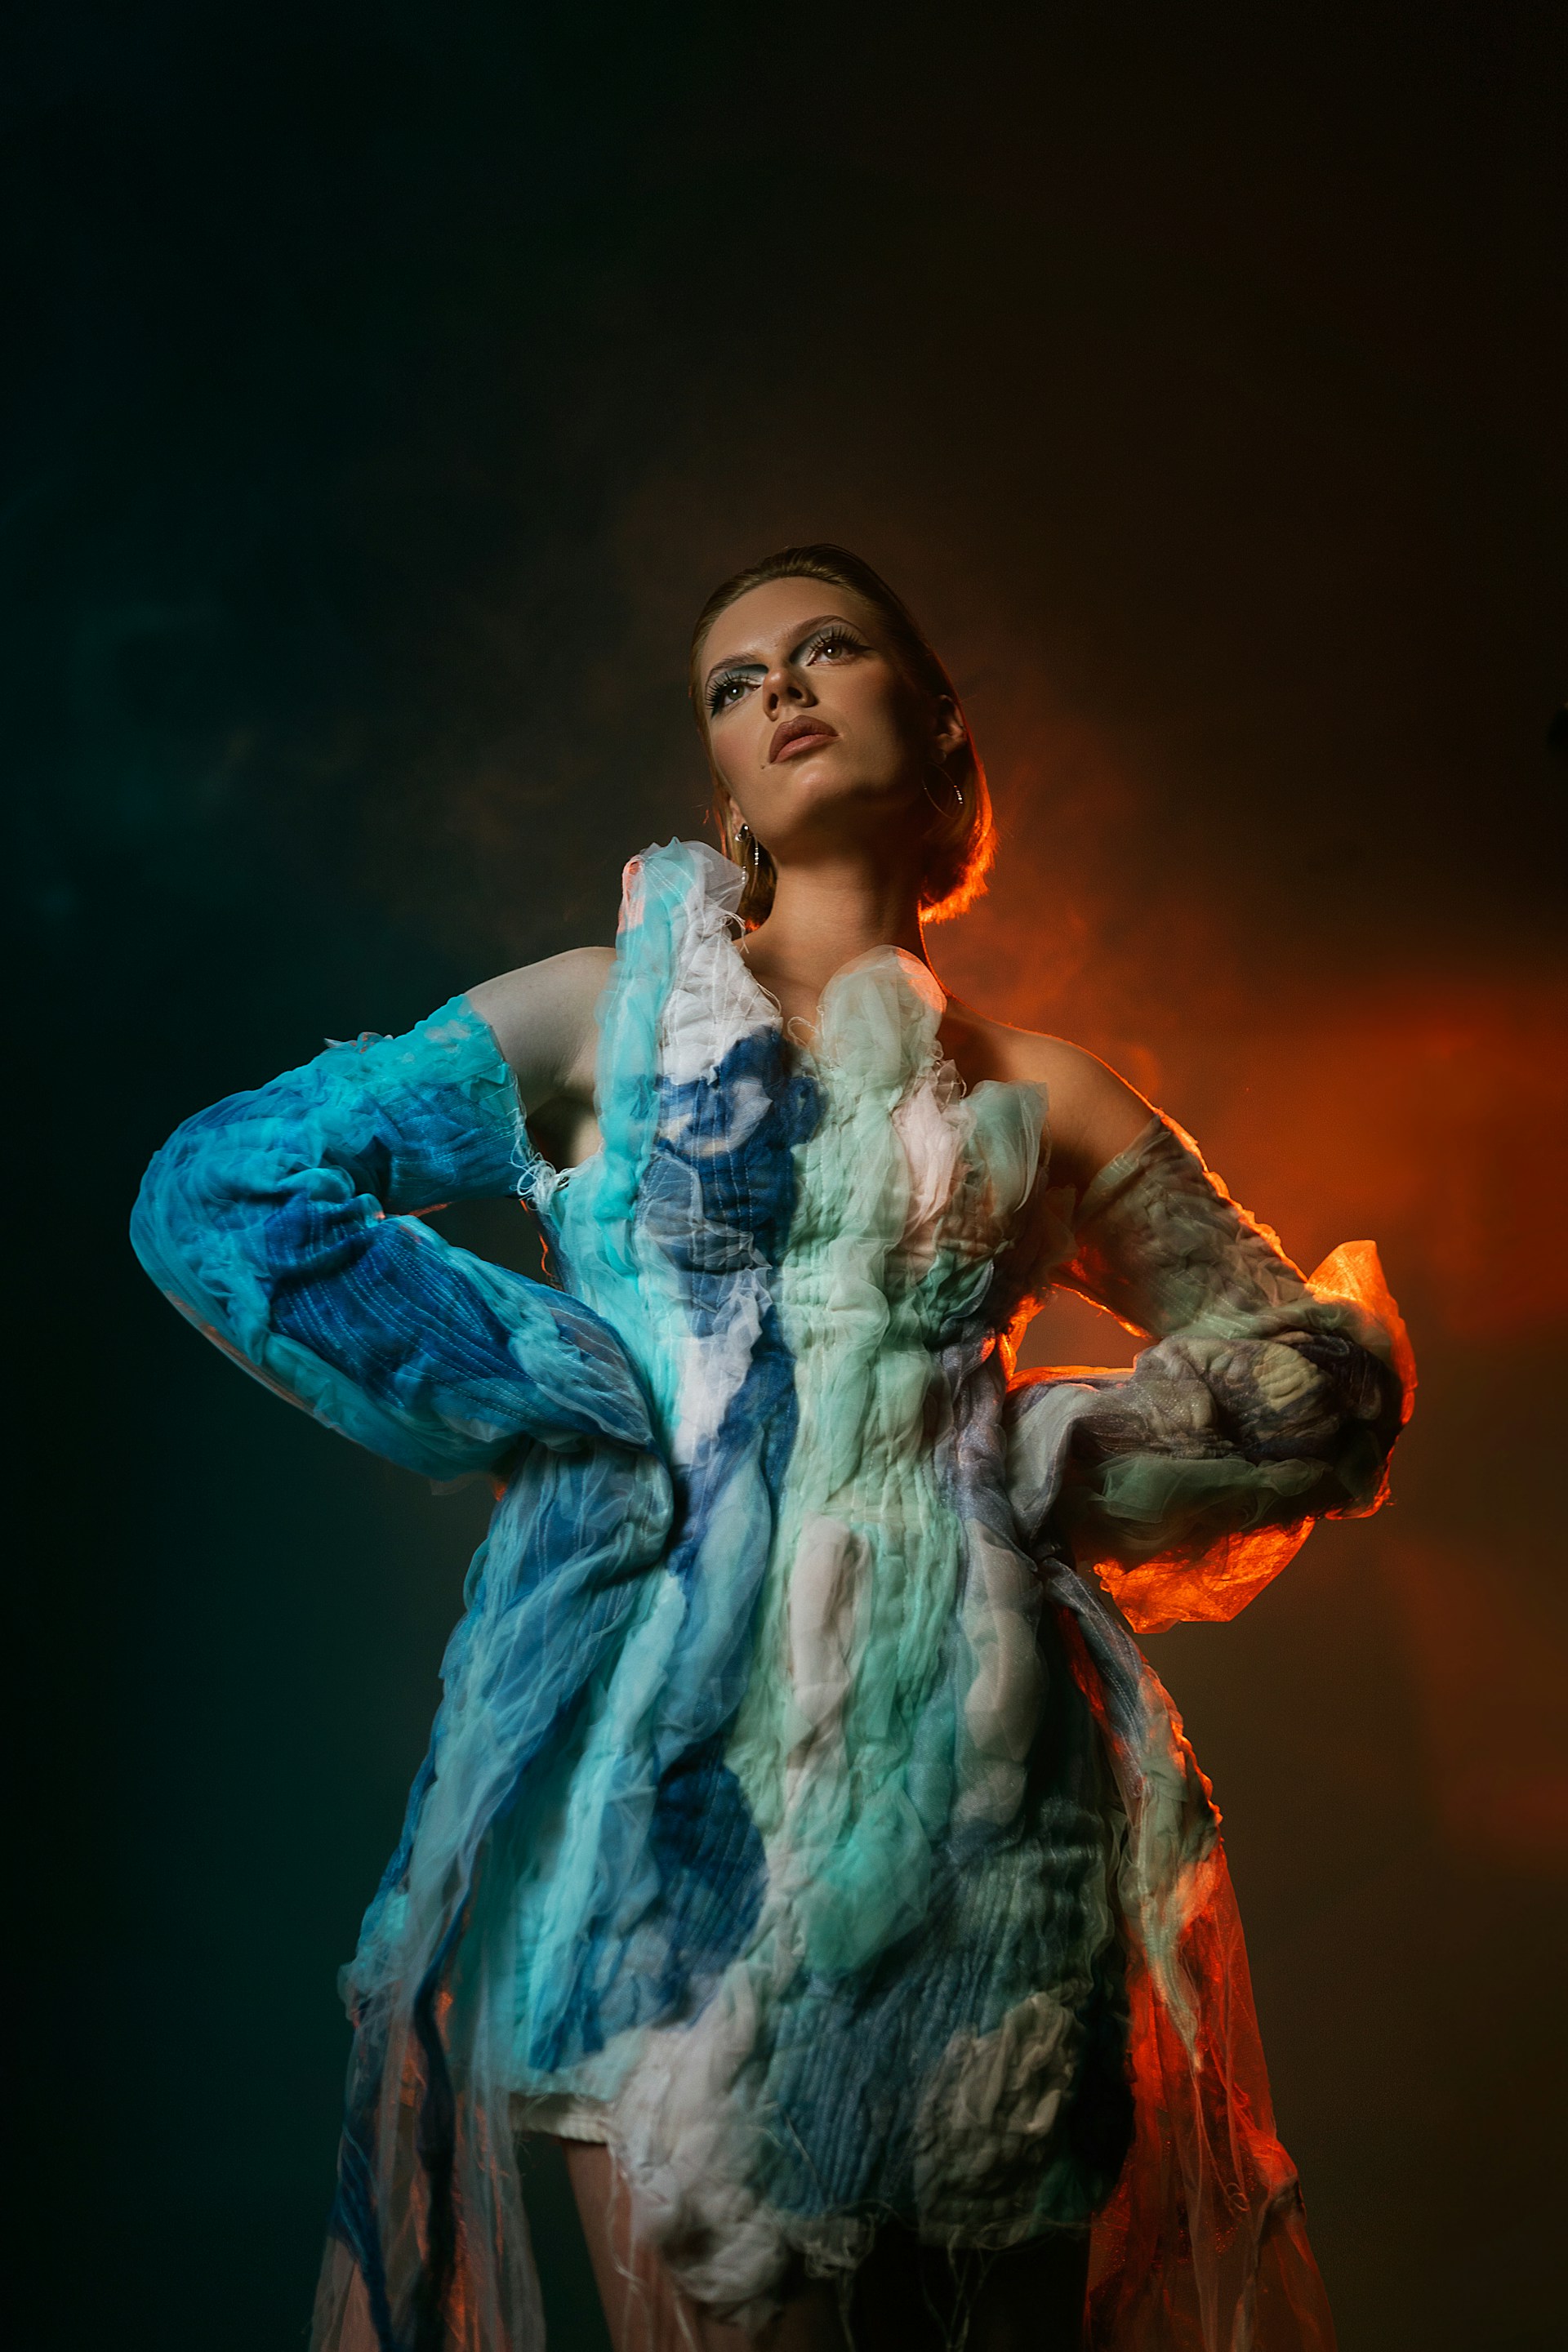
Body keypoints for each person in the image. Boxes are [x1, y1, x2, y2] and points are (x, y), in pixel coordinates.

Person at [131, 545, 1413, 2352]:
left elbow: (1321, 1378)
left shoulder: (1042, 1092)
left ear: (937, 723)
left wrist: (1042, 1459)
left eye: (830, 650)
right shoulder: (606, 1014)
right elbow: (228, 1188)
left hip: (990, 1823)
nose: (782, 691)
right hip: (664, 1824)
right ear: (722, 773)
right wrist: (566, 1392)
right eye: (736, 683)